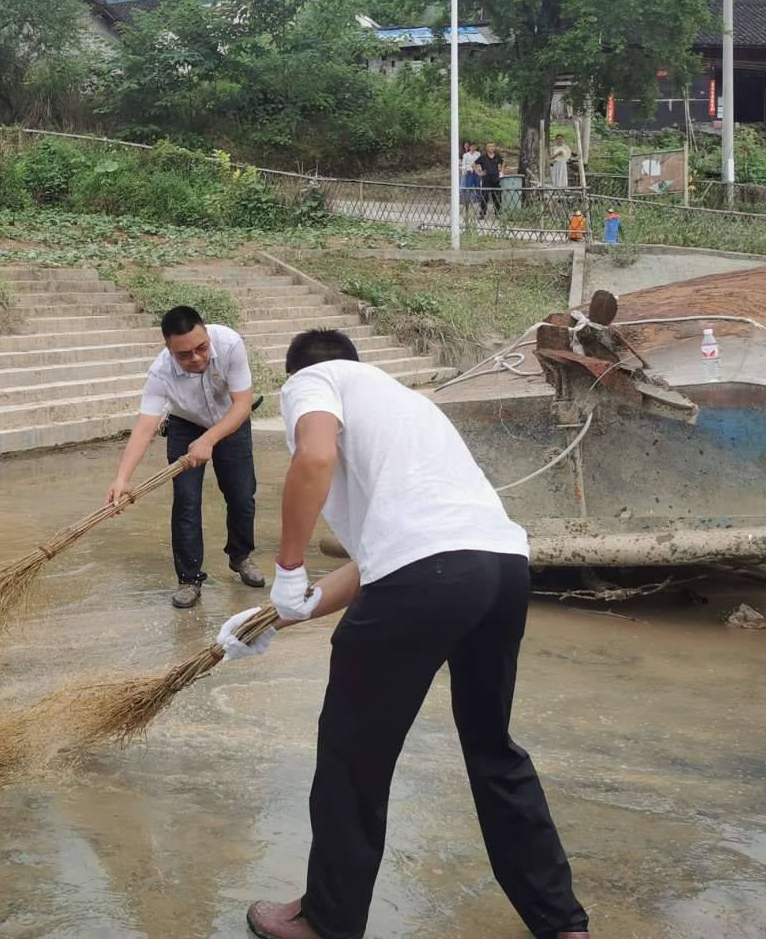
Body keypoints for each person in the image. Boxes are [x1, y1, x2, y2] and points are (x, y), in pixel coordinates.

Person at [221, 328, 589, 939]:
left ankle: (326, 921)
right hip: (501, 570)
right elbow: (380, 560)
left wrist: (287, 567)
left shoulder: (316, 378)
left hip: (434, 573)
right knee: (494, 752)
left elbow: (314, 459)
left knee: (352, 758)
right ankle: (561, 922)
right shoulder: (410, 409)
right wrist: (288, 611)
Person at [104, 305, 265, 609]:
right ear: (168, 349)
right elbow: (145, 427)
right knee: (186, 502)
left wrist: (209, 438)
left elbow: (243, 404)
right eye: (185, 355)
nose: (197, 358)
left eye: (201, 348)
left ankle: (240, 556)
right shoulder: (160, 372)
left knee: (242, 495)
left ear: (207, 334)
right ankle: (189, 579)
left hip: (230, 419)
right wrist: (122, 479)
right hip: (184, 424)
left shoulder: (230, 343)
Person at [474, 141, 504, 219]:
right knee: (484, 196)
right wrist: (479, 173)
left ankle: (498, 213)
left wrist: (502, 171)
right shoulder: (483, 157)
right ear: (486, 148)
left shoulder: (498, 156)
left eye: (493, 146)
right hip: (486, 179)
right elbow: (473, 164)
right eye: (490, 146)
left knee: (497, 197)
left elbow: (501, 165)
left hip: (496, 179)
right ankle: (482, 213)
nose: (491, 148)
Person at [460, 141, 480, 205]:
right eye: (472, 146)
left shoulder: (478, 154)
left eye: (475, 146)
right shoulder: (465, 155)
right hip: (469, 172)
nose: (473, 148)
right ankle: (467, 200)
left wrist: (479, 169)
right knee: (468, 186)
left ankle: (478, 199)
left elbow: (479, 163)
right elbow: (464, 164)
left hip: (477, 171)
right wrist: (464, 172)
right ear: (469, 147)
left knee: (477, 186)